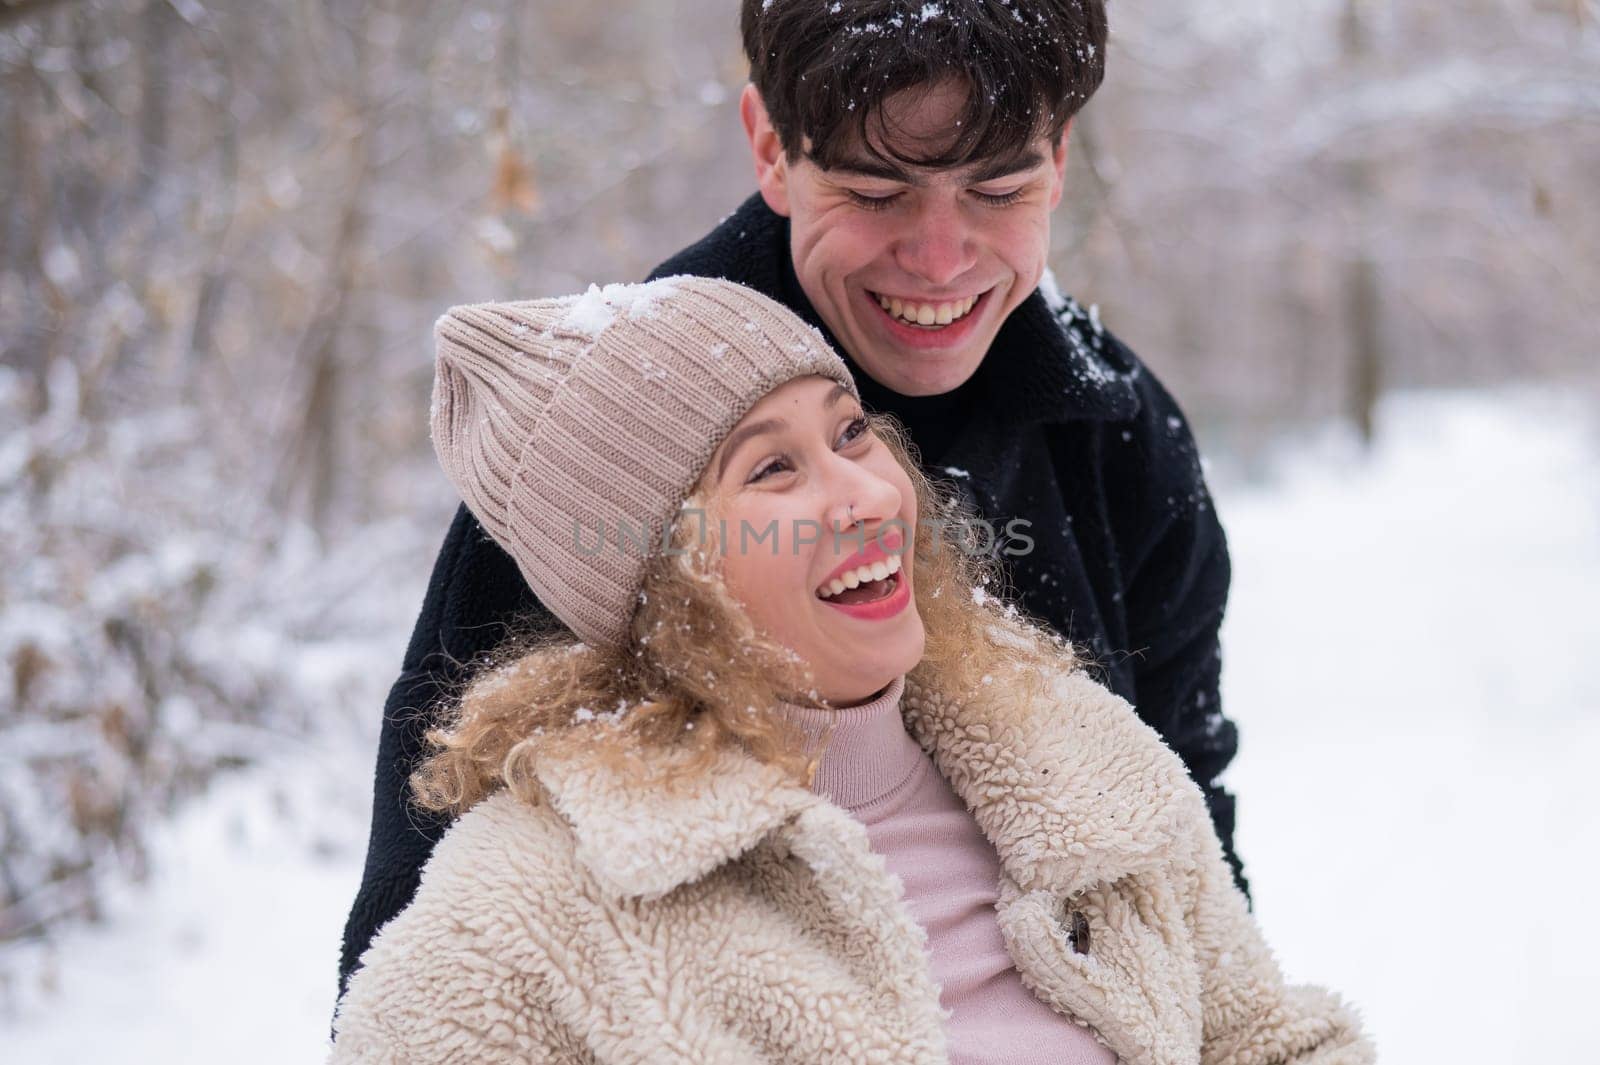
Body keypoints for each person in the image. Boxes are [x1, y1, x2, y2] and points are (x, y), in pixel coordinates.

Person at [339, 0, 1244, 1002]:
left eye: (998, 188)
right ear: (772, 148)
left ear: (1059, 159)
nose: (941, 259)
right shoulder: (617, 443)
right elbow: (421, 947)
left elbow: (1189, 839)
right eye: (875, 190)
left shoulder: (1112, 436)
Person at [330, 278, 1369, 1064]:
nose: (865, 496)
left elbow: (1268, 1044)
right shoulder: (532, 910)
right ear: (662, 579)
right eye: (772, 468)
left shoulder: (1076, 755)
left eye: (851, 432)